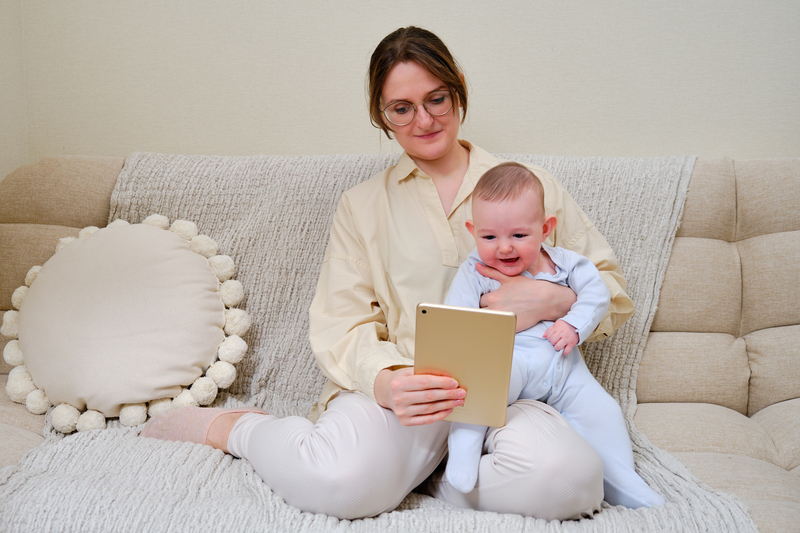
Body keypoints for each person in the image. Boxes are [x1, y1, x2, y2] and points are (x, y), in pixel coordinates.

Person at [141, 26, 637, 520]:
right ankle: (240, 429)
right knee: (335, 484)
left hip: (516, 390)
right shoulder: (362, 207)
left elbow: (609, 289)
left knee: (572, 484)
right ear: (382, 114)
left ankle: (428, 478)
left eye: (437, 99)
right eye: (402, 108)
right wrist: (387, 380)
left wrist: (558, 302)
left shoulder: (530, 186)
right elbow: (342, 323)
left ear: (458, 87)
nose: (424, 120)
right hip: (411, 392)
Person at [442, 162, 663, 509]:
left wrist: (573, 324)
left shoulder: (568, 265)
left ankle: (625, 483)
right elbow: (457, 322)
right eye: (489, 237)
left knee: (603, 412)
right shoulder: (475, 271)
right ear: (473, 231)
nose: (503, 248)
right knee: (479, 391)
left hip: (564, 370)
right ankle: (462, 454)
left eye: (518, 236)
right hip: (508, 364)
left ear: (545, 229)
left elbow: (597, 295)